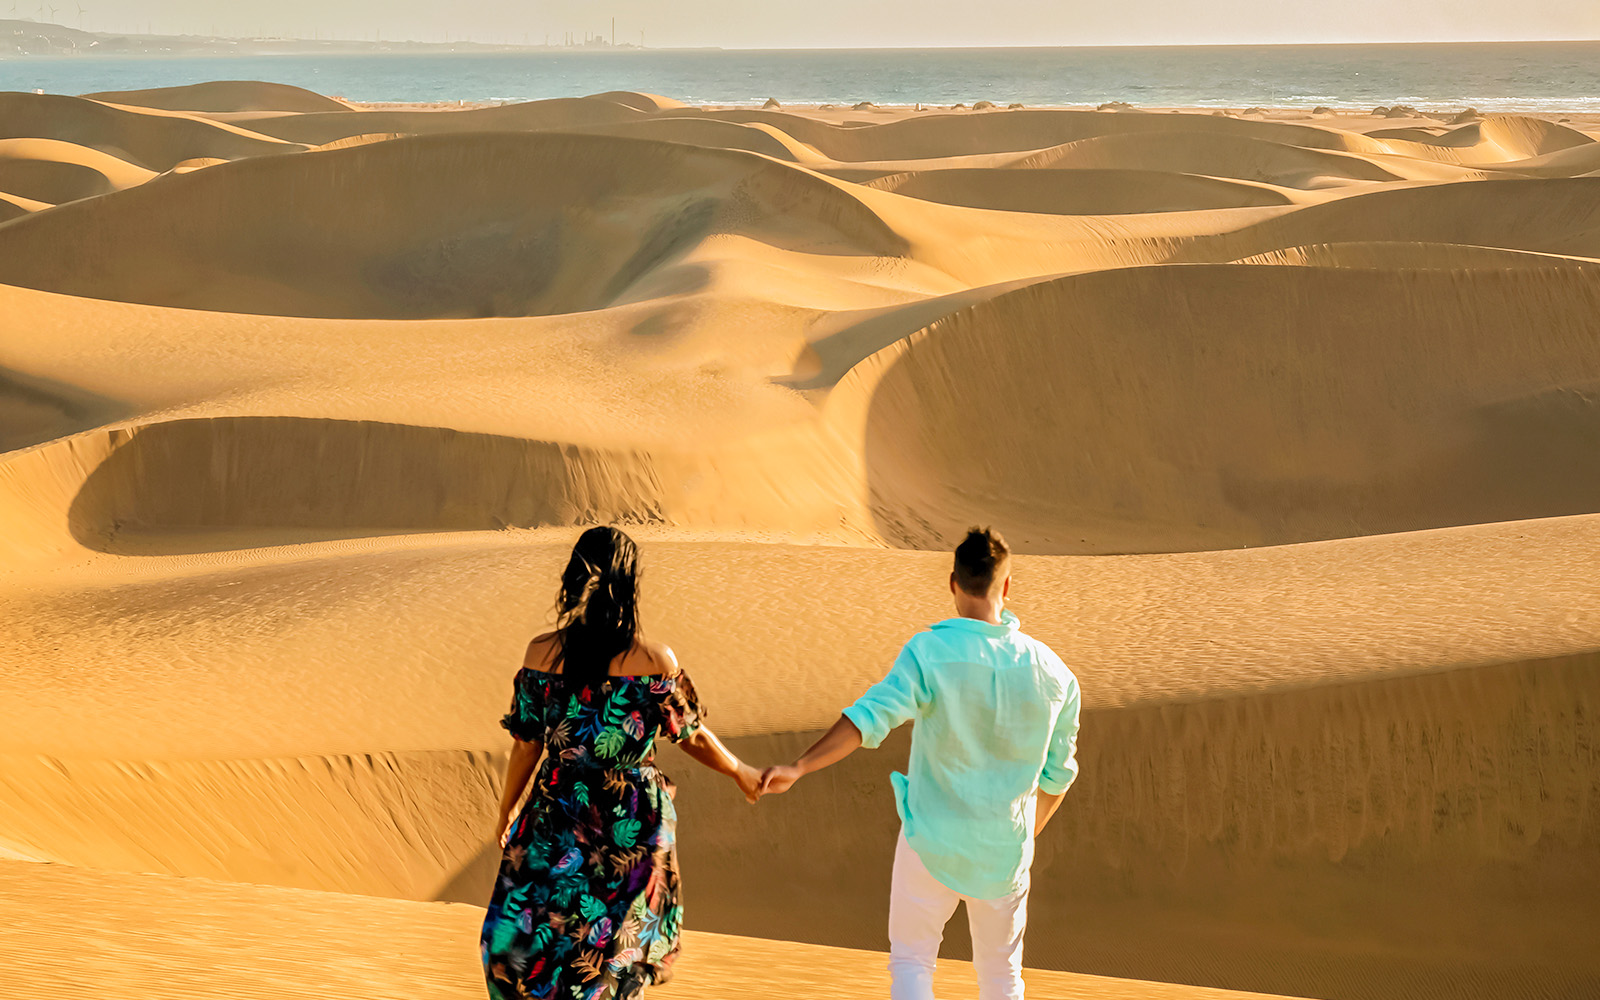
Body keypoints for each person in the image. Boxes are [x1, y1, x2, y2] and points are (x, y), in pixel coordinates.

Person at [759, 527, 1081, 1000]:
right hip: (1004, 854)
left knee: (912, 963)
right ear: (1007, 587)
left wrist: (800, 767)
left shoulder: (929, 653)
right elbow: (1059, 774)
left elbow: (869, 717)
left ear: (953, 583)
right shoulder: (1055, 674)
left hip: (931, 840)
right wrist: (1022, 833)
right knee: (1002, 979)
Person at [483, 526, 763, 1000]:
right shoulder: (653, 660)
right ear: (629, 583)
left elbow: (527, 742)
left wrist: (508, 807)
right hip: (628, 815)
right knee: (610, 946)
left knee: (530, 937)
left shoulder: (540, 653)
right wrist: (740, 770)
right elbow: (689, 733)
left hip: (559, 806)